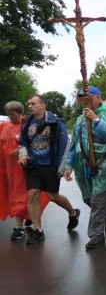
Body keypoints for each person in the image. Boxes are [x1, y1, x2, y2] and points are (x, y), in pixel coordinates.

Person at [18, 94, 80, 244]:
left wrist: (63, 167)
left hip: (50, 165)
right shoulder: (26, 124)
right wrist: (23, 155)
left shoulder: (56, 123)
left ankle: (72, 213)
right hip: (33, 165)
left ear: (43, 106)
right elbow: (22, 143)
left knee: (53, 196)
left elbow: (65, 145)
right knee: (33, 194)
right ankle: (38, 231)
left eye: (33, 103)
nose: (30, 106)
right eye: (29, 103)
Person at [64, 86, 106, 249]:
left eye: (88, 98)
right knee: (88, 199)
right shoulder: (80, 119)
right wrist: (69, 165)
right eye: (82, 99)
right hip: (82, 165)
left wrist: (96, 120)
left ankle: (95, 235)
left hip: (102, 164)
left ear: (98, 97)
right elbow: (73, 143)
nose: (85, 102)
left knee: (97, 200)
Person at [0, 101, 48, 240]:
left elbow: (37, 144)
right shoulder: (3, 126)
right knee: (12, 194)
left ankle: (18, 227)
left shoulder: (27, 126)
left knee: (22, 195)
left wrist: (24, 151)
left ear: (20, 113)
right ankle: (26, 218)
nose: (10, 116)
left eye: (13, 114)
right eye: (8, 114)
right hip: (7, 168)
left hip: (24, 167)